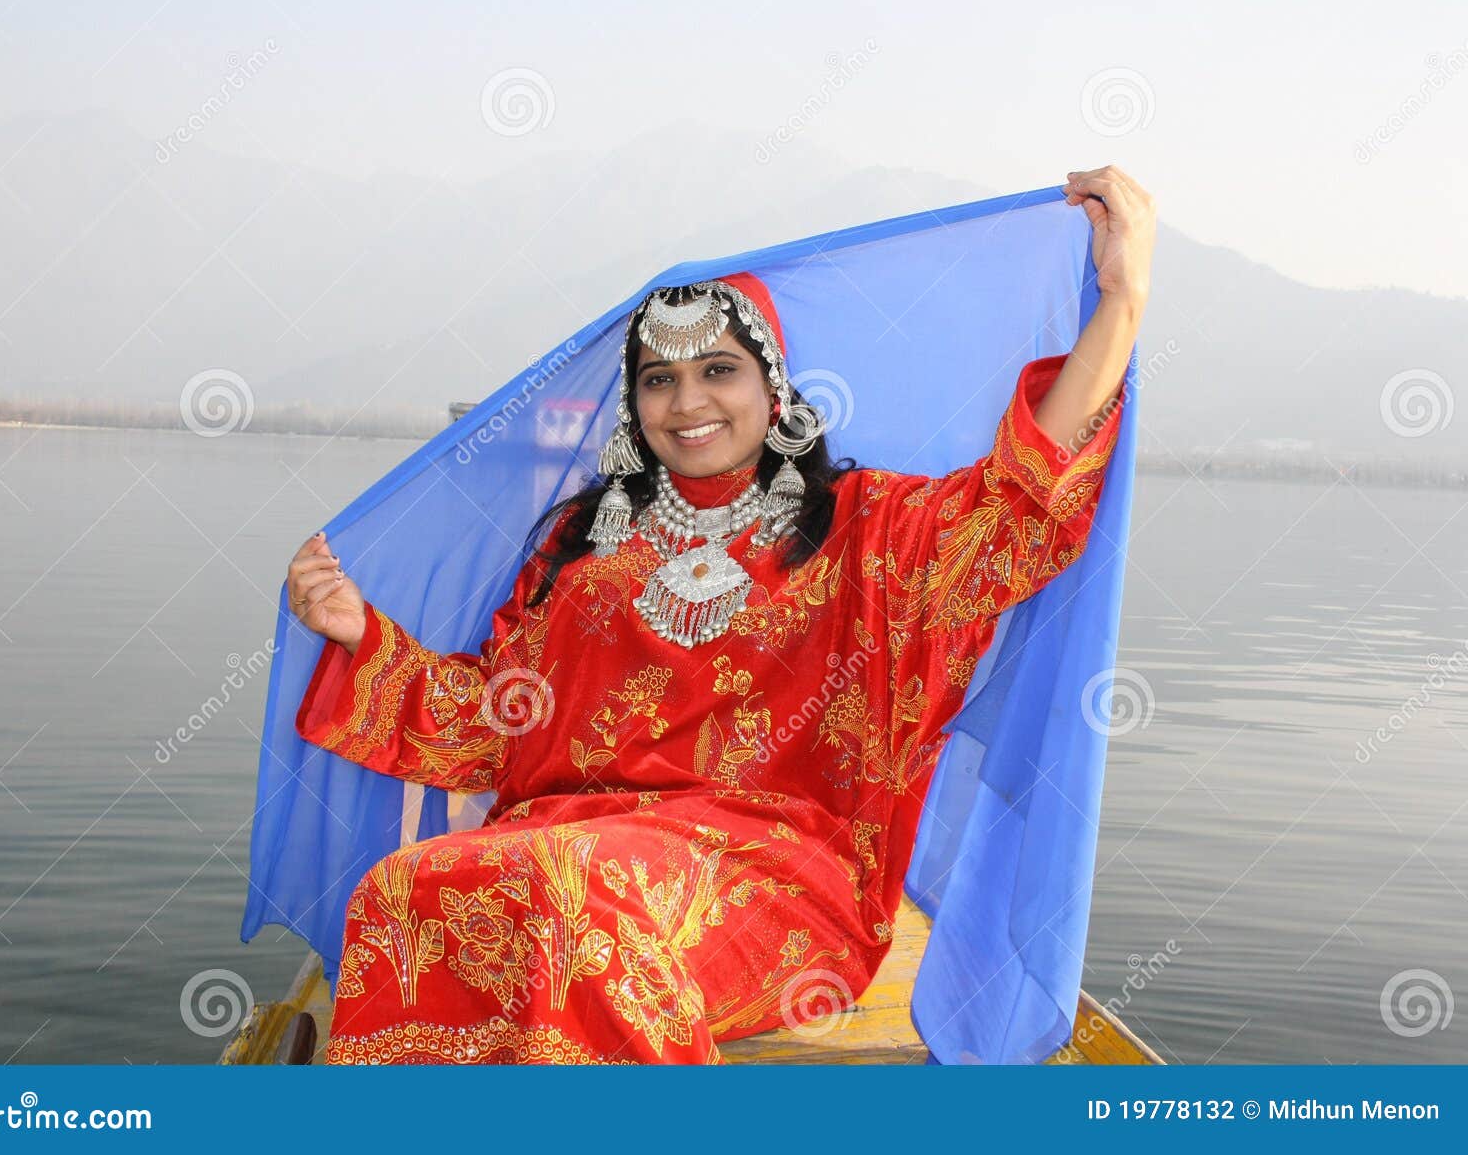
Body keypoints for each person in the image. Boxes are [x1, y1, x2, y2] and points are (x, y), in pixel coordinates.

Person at [284, 166, 1155, 1065]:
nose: (689, 401)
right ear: (635, 405)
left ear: (772, 387)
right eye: (659, 378)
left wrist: (1121, 301)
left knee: (572, 904)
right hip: (562, 843)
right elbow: (496, 721)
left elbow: (1016, 508)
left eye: (718, 370)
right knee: (397, 890)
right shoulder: (586, 550)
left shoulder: (864, 530)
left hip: (776, 874)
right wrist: (361, 635)